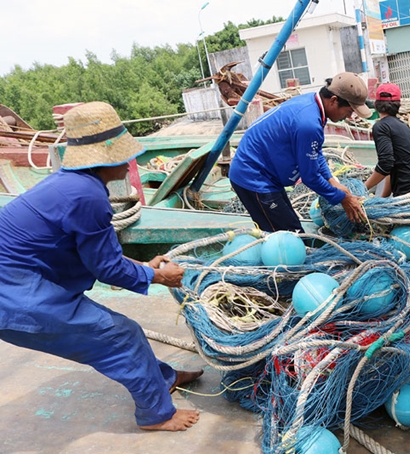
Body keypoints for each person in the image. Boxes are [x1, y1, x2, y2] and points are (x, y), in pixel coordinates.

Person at [0, 102, 203, 432]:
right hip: (14, 294)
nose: (129, 162)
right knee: (121, 335)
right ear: (105, 157)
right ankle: (157, 415)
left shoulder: (72, 183)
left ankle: (162, 377)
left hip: (22, 279)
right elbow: (107, 270)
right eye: (124, 155)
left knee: (114, 333)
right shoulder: (88, 196)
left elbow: (96, 255)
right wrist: (158, 275)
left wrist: (143, 265)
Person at [228, 72, 370, 232]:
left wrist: (331, 180)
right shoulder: (309, 124)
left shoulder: (312, 104)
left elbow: (315, 152)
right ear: (334, 100)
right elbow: (310, 177)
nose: (349, 117)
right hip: (253, 178)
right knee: (290, 236)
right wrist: (343, 198)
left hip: (267, 175)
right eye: (349, 111)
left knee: (291, 228)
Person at [364, 83, 410, 197]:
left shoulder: (380, 127)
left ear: (375, 105)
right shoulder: (402, 125)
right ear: (398, 105)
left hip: (408, 194)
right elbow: (392, 165)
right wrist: (383, 198)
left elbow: (385, 164)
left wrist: (363, 188)